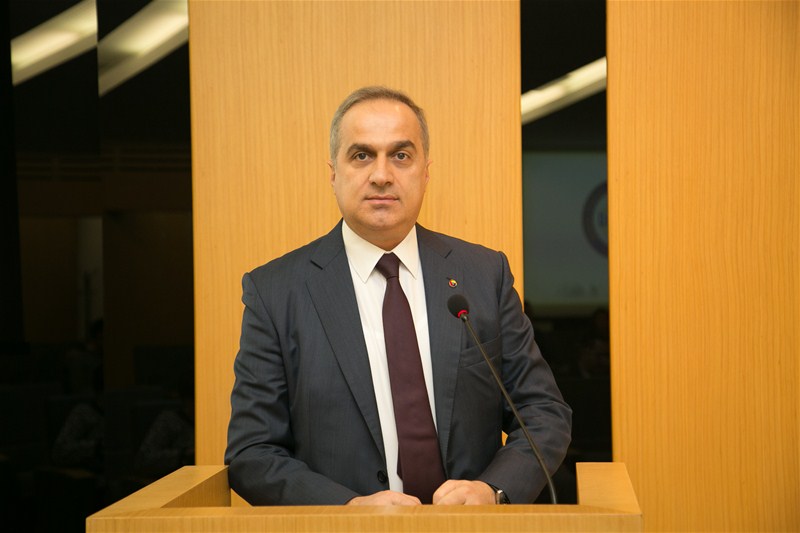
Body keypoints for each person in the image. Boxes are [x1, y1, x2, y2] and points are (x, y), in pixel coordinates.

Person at [225, 86, 571, 506]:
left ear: (426, 172)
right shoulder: (276, 293)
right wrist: (347, 510)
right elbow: (252, 452)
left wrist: (493, 490)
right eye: (361, 155)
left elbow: (542, 413)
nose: (382, 175)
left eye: (401, 155)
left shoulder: (483, 275)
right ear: (333, 173)